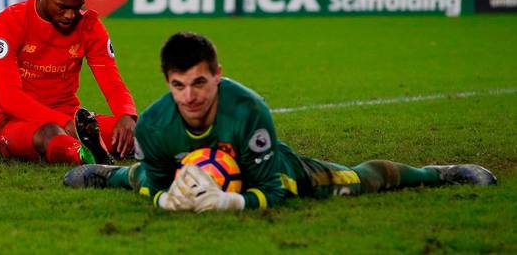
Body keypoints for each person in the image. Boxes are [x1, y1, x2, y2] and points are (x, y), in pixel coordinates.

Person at [64, 32, 497, 212]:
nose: (190, 96)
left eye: (200, 82)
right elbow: (154, 180)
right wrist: (164, 202)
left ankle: (439, 174)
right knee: (138, 172)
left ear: (218, 75)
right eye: (179, 86)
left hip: (272, 168)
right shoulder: (156, 123)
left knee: (359, 179)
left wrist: (235, 203)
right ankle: (104, 173)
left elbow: (275, 188)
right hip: (185, 166)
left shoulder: (249, 111)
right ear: (167, 83)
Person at [0, 0, 137, 166]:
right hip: (15, 122)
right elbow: (9, 97)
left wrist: (127, 114)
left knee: (137, 132)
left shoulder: (89, 27)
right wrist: (64, 123)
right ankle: (85, 156)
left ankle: (156, 151)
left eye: (77, 7)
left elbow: (111, 81)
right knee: (51, 132)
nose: (70, 15)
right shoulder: (10, 22)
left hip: (70, 117)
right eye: (62, 7)